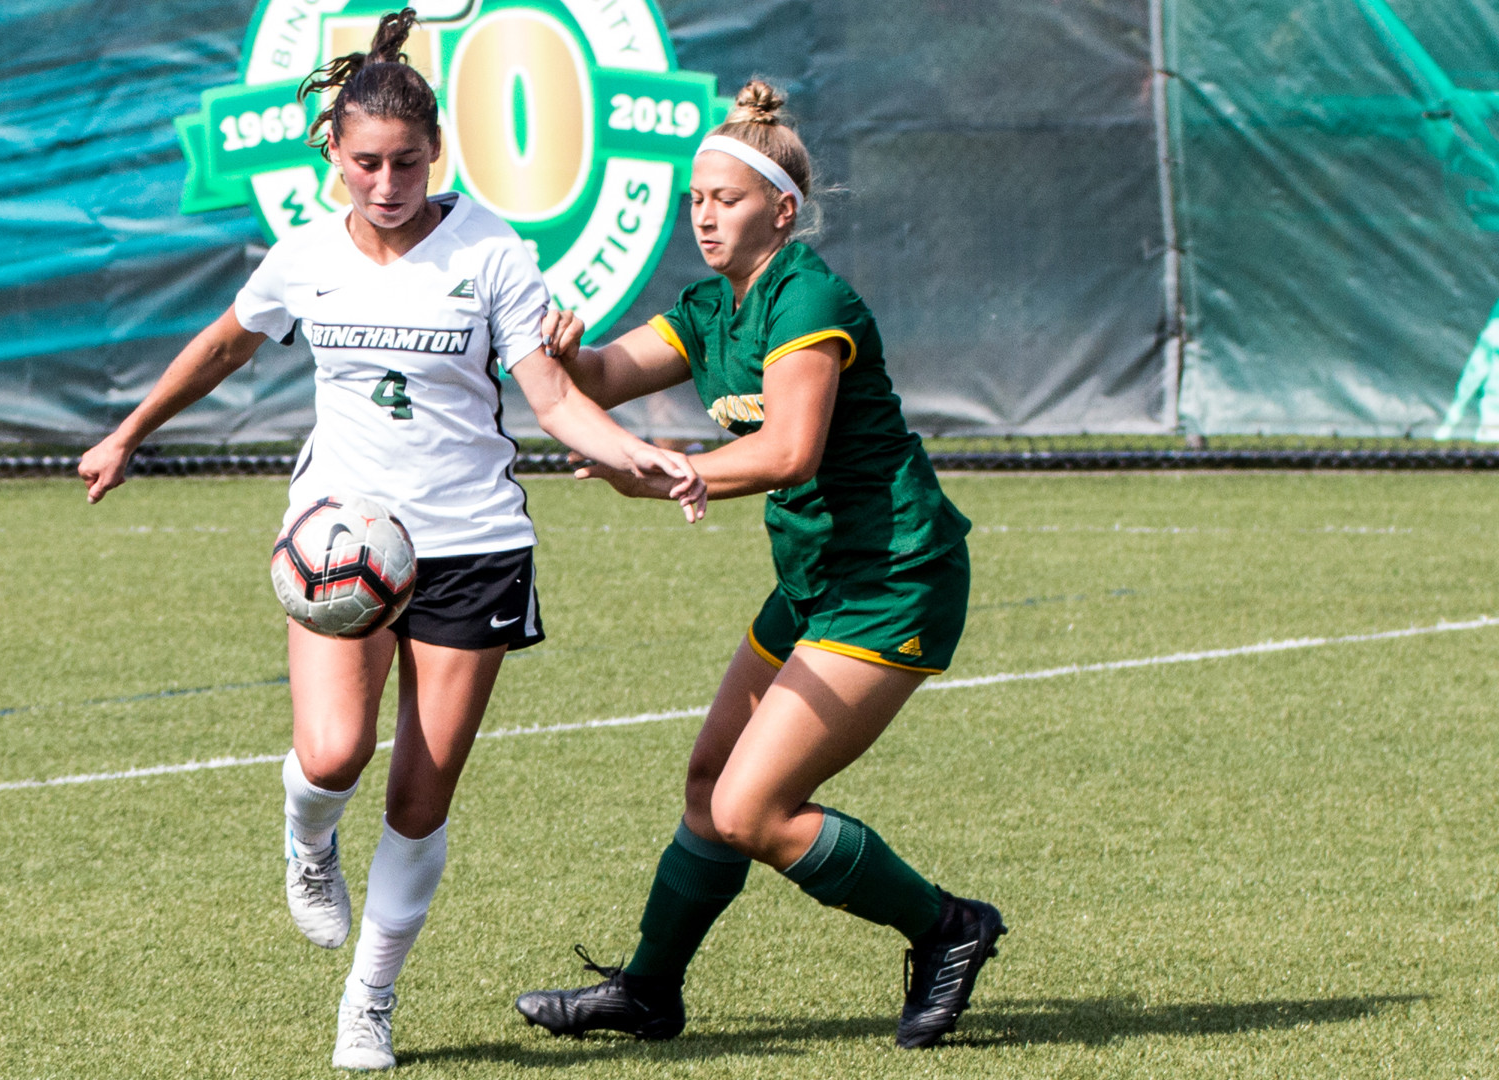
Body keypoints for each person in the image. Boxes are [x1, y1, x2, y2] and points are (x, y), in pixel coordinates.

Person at [77, 10, 705, 1070]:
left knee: (421, 789)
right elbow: (228, 342)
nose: (386, 182)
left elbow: (551, 393)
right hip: (339, 537)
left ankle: (368, 1001)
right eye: (365, 161)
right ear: (334, 154)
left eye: (406, 161)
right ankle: (306, 839)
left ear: (436, 155)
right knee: (331, 754)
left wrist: (637, 453)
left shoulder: (493, 249)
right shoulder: (308, 255)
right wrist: (130, 430)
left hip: (472, 544)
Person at [512, 78, 1004, 1050]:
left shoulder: (806, 295)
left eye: (724, 199)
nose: (703, 214)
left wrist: (669, 473)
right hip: (820, 582)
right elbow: (606, 376)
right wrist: (561, 350)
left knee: (750, 807)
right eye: (695, 198)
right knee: (709, 783)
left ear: (781, 209)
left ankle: (949, 927)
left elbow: (790, 453)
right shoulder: (710, 308)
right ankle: (649, 992)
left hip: (894, 577)